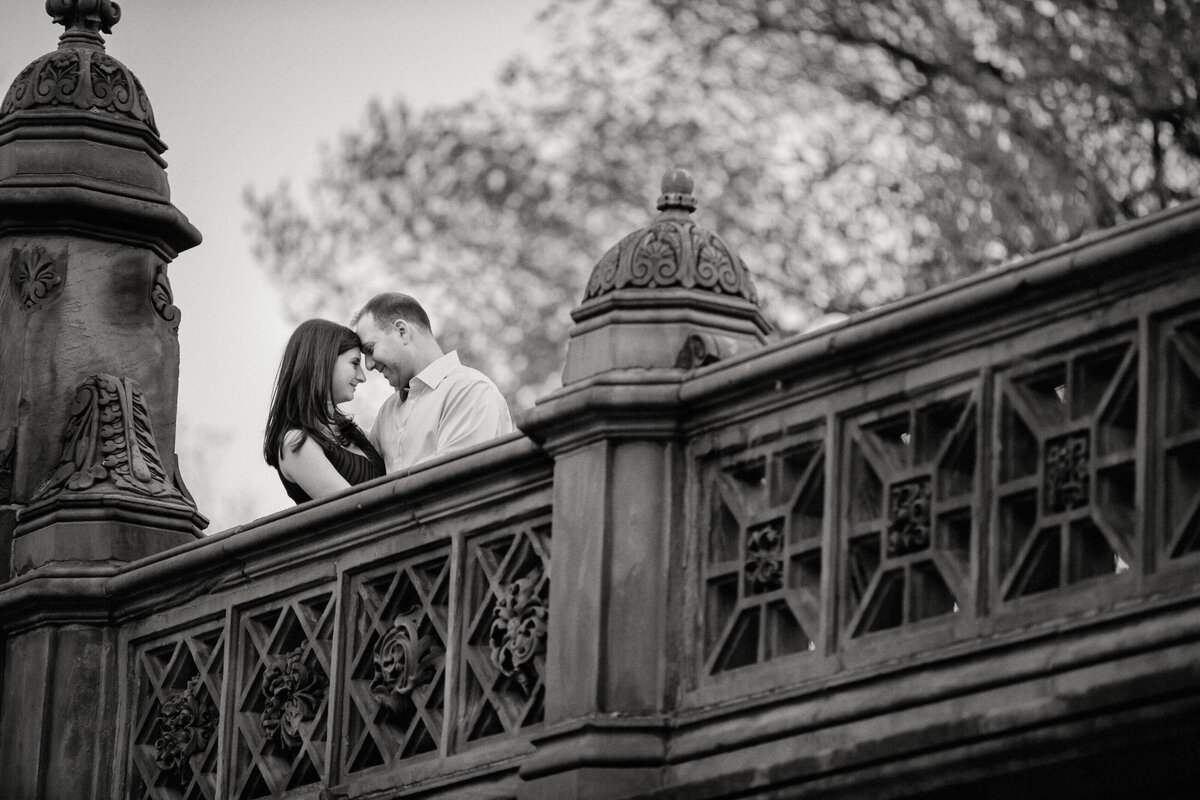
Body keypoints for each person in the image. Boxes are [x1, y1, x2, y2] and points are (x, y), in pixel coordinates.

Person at [352, 292, 513, 471]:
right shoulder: (387, 413)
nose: (368, 365)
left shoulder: (471, 391)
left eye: (370, 349)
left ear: (402, 332)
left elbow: (459, 480)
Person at [263, 319, 385, 504]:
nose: (361, 377)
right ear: (323, 361)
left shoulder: (354, 433)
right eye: (354, 363)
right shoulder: (296, 443)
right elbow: (355, 510)